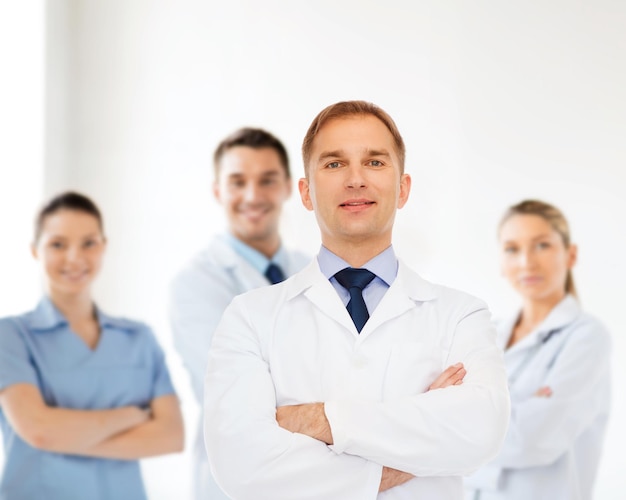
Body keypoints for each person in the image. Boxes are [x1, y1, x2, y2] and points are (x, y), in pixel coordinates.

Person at [204, 100, 511, 499]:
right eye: (334, 164)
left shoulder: (460, 315)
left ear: (403, 189)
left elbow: (481, 429)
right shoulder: (250, 317)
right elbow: (240, 467)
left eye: (375, 162)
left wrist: (317, 419)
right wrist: (421, 441)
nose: (355, 179)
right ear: (306, 192)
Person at [0, 191, 184, 500]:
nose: (75, 258)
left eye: (89, 243)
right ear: (35, 250)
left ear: (104, 247)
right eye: (57, 244)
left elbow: (170, 436)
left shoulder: (139, 338)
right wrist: (132, 416)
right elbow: (39, 430)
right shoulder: (12, 336)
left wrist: (62, 437)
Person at [168, 127, 309, 499]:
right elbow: (240, 395)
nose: (252, 195)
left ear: (288, 188)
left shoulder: (317, 272)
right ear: (217, 191)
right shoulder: (196, 283)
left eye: (267, 180)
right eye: (237, 182)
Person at [464, 199, 612, 500]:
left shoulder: (587, 337)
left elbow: (533, 439)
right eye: (512, 249)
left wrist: (447, 432)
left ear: (571, 255)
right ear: (501, 264)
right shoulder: (486, 332)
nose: (526, 262)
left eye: (542, 245)